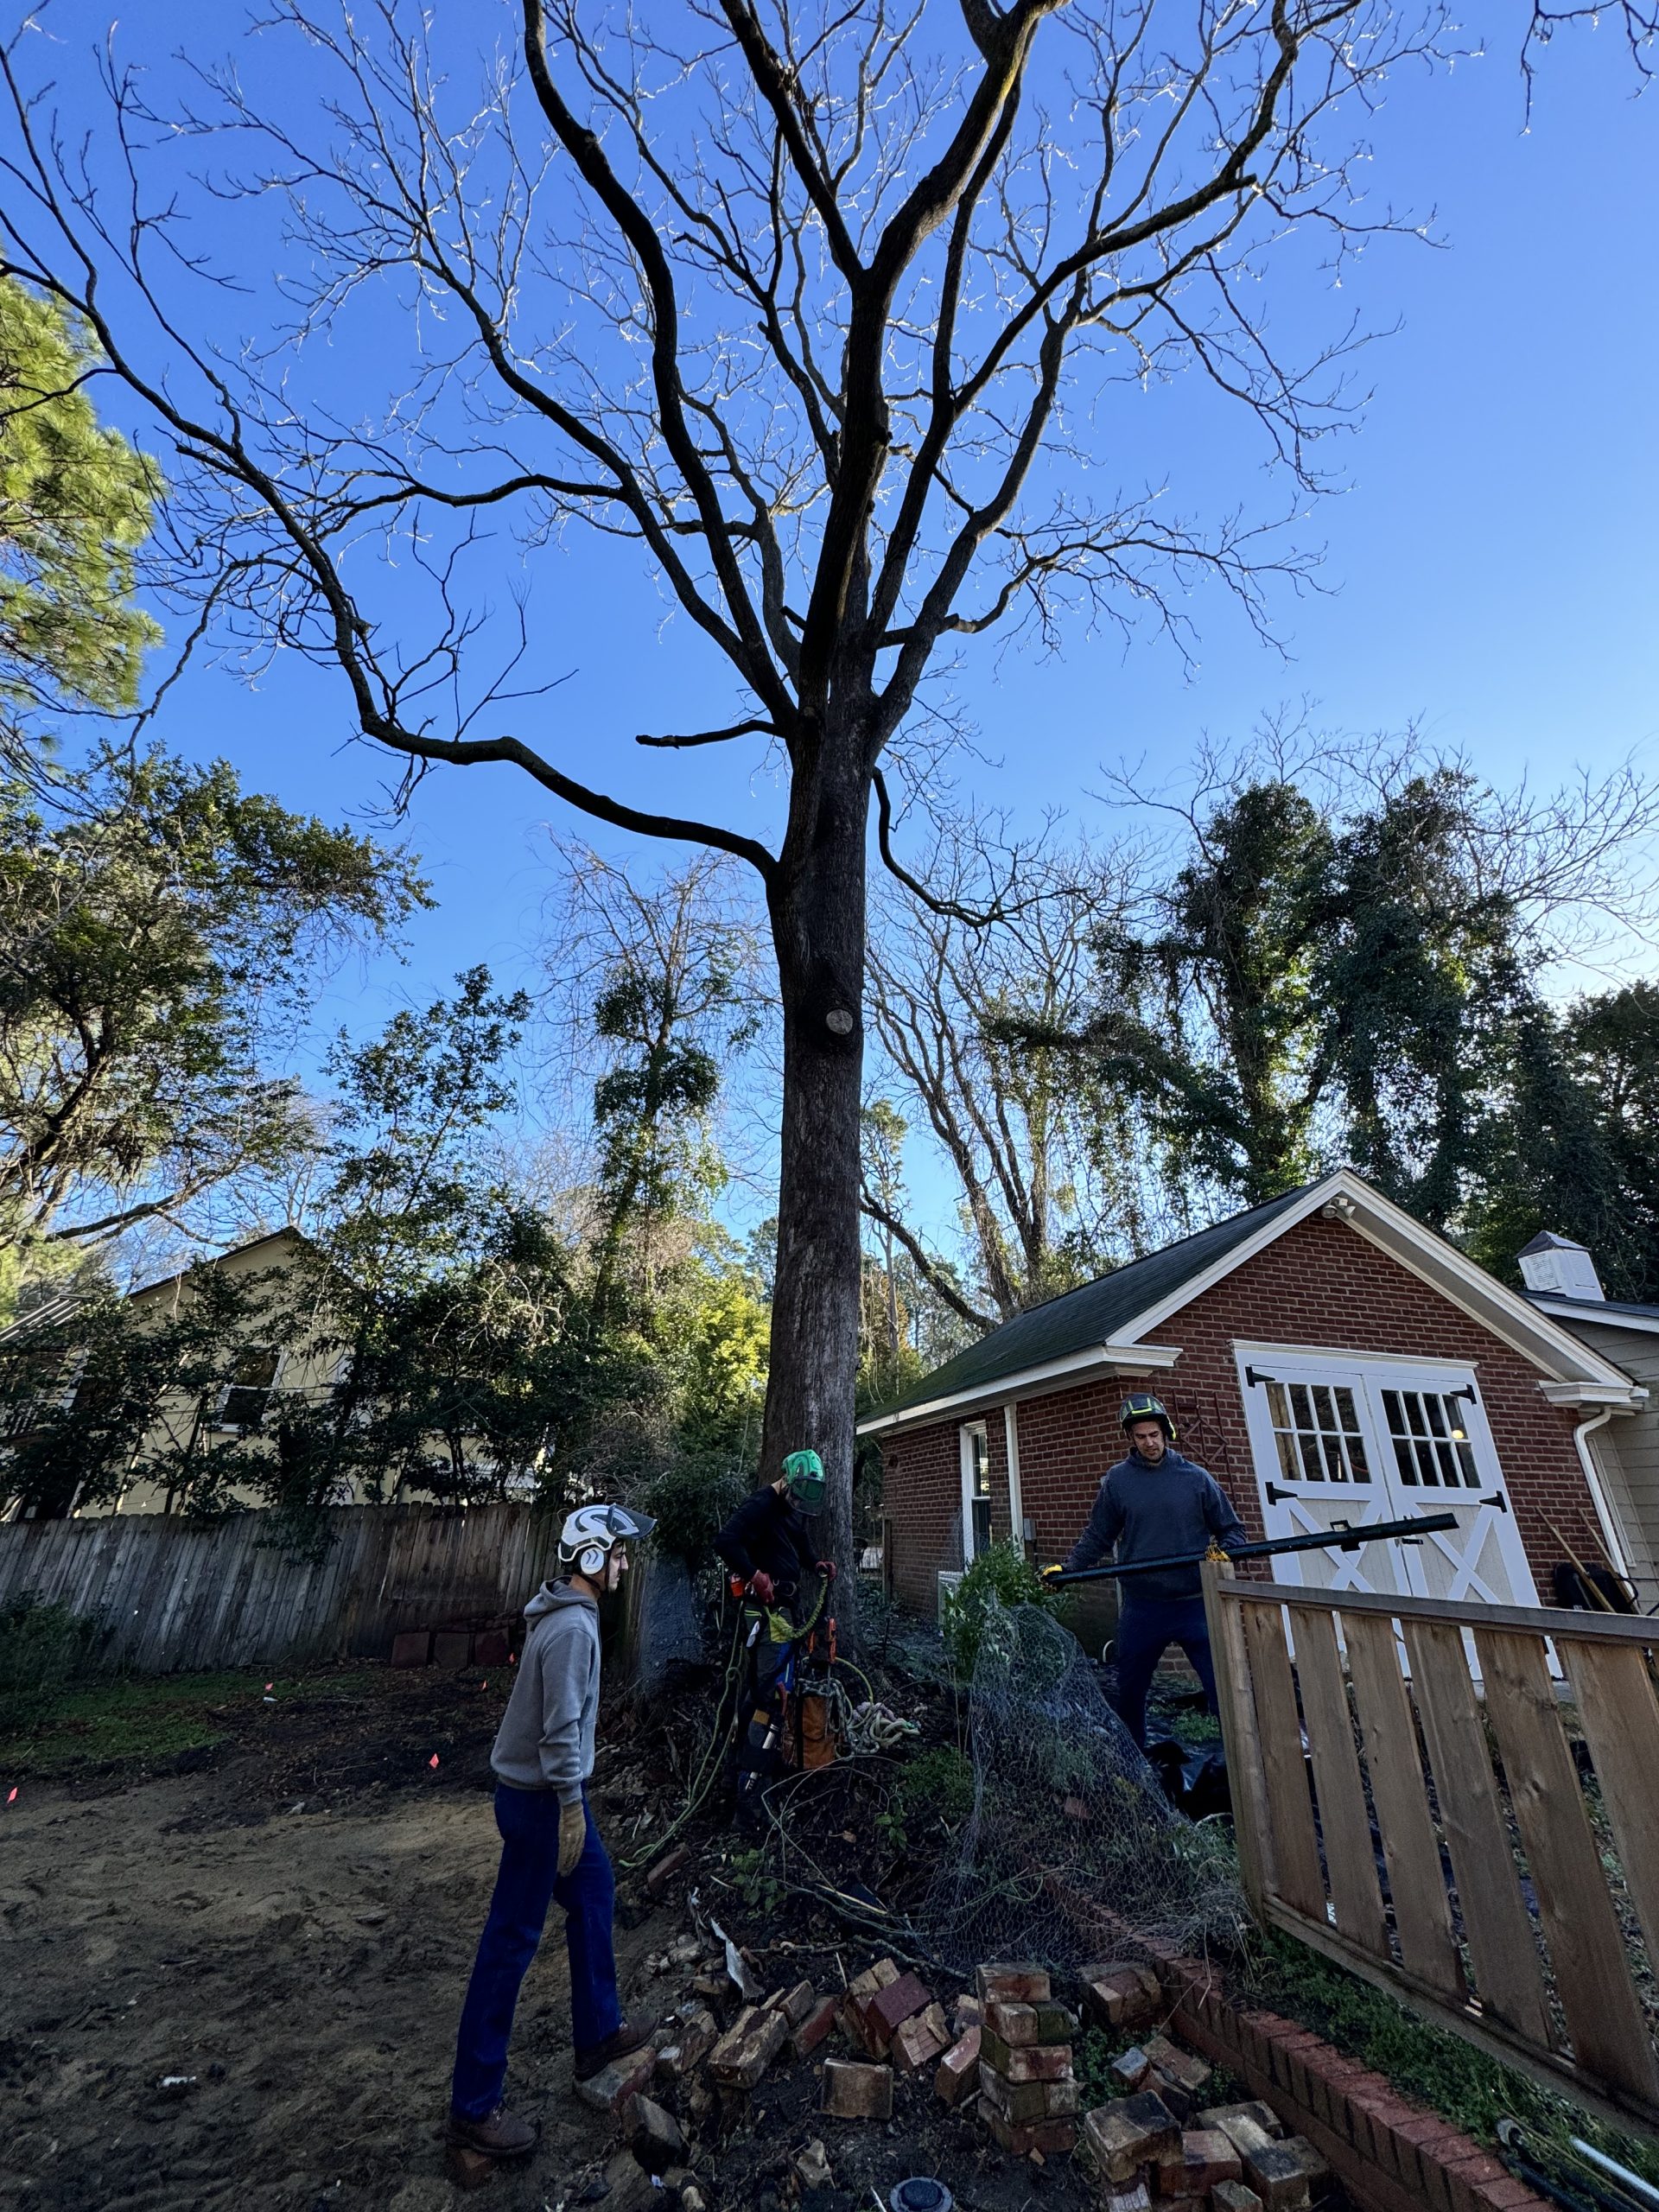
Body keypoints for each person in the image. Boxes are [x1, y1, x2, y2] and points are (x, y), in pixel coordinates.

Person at [446, 1502, 658, 2163]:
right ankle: (473, 2107)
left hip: (549, 1798)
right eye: (618, 1553)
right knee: (511, 1943)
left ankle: (597, 2032)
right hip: (541, 1803)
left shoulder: (572, 1615)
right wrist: (570, 1805)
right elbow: (560, 1730)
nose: (625, 1564)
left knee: (594, 1893)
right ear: (591, 1557)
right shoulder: (571, 1630)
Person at [1051, 1395, 1247, 1751]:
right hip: (1142, 1607)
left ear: (1166, 1432)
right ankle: (1133, 1764)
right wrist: (1068, 1567)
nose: (1149, 1443)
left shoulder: (1196, 1479)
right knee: (1130, 1690)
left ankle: (1240, 1760)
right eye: (1141, 1437)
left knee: (1223, 1688)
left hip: (1194, 1605)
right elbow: (1098, 1535)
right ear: (1131, 1438)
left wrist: (1225, 1553)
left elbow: (1233, 1530)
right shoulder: (1118, 1481)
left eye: (1154, 1434)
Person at [714, 1448, 833, 1823]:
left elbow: (797, 1540)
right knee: (772, 1699)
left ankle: (736, 1773)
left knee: (759, 1693)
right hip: (766, 1614)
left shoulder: (787, 1510)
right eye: (797, 1495)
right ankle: (750, 1799)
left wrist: (815, 1563)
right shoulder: (762, 1504)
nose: (799, 1504)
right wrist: (755, 1574)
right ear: (787, 1481)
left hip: (784, 1609)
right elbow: (725, 1541)